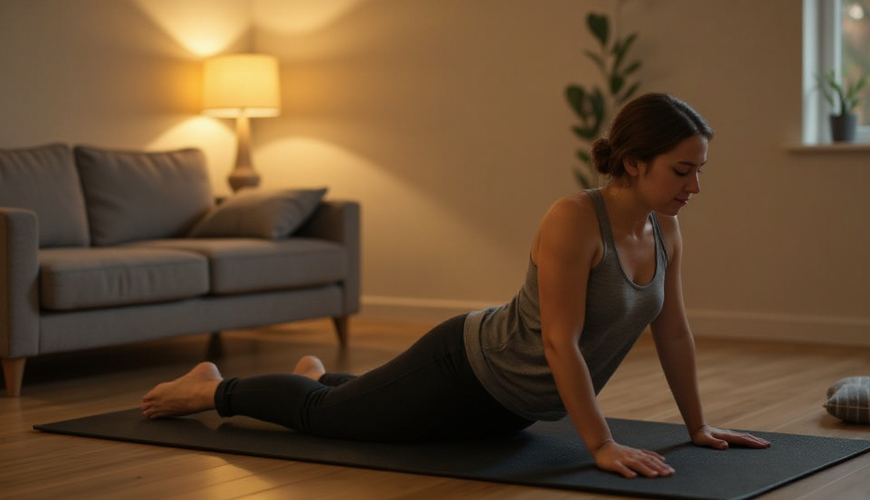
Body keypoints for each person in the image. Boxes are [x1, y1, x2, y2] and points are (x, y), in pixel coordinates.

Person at [142, 93, 770, 479]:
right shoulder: (575, 219)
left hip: (512, 410)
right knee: (325, 419)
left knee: (365, 412)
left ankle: (315, 375)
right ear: (634, 163)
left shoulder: (665, 231)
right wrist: (601, 443)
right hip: (466, 367)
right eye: (682, 170)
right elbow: (560, 343)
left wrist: (697, 427)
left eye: (699, 170)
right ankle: (210, 390)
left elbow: (674, 330)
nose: (694, 186)